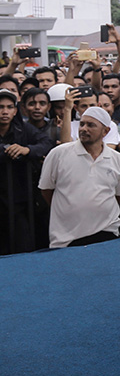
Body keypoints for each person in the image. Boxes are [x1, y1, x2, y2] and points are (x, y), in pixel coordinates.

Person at [39, 107, 120, 248]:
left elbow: (118, 195)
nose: (83, 129)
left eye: (91, 125)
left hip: (107, 232)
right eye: (82, 124)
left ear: (105, 131)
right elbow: (46, 190)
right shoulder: (58, 154)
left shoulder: (118, 159)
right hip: (66, 237)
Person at [0, 89, 54, 254]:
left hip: (19, 200)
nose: (4, 111)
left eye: (9, 107)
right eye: (1, 107)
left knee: (23, 246)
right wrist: (7, 150)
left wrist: (27, 150)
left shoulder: (23, 128)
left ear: (15, 110)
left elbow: (46, 143)